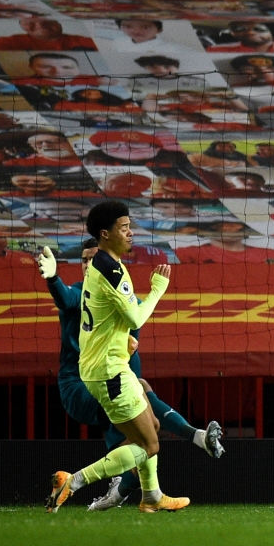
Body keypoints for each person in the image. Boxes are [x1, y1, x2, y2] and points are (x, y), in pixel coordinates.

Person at [37, 238, 224, 510]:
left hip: (103, 377)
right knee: (145, 439)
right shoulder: (82, 293)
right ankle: (111, 483)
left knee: (146, 410)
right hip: (78, 386)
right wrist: (53, 278)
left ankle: (149, 494)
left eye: (94, 259)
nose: (89, 264)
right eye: (84, 260)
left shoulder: (123, 297)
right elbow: (66, 299)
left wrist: (129, 354)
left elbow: (130, 348)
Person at [44, 200, 187, 513]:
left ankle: (151, 497)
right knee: (148, 444)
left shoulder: (102, 266)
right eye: (124, 228)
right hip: (109, 372)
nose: (131, 233)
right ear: (105, 234)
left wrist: (122, 341)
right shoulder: (109, 269)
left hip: (106, 366)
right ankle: (75, 481)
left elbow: (106, 320)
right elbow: (135, 318)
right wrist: (158, 289)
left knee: (150, 424)